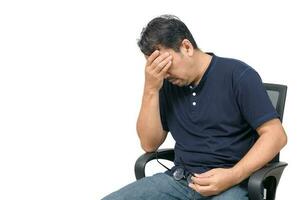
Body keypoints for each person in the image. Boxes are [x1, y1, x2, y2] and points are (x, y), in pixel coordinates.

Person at [102, 14, 287, 200]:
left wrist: (233, 175)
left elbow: (276, 135)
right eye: (155, 66)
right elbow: (149, 144)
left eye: (165, 63)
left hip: (232, 183)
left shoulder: (238, 75)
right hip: (180, 180)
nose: (163, 73)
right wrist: (150, 89)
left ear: (187, 47)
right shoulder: (166, 84)